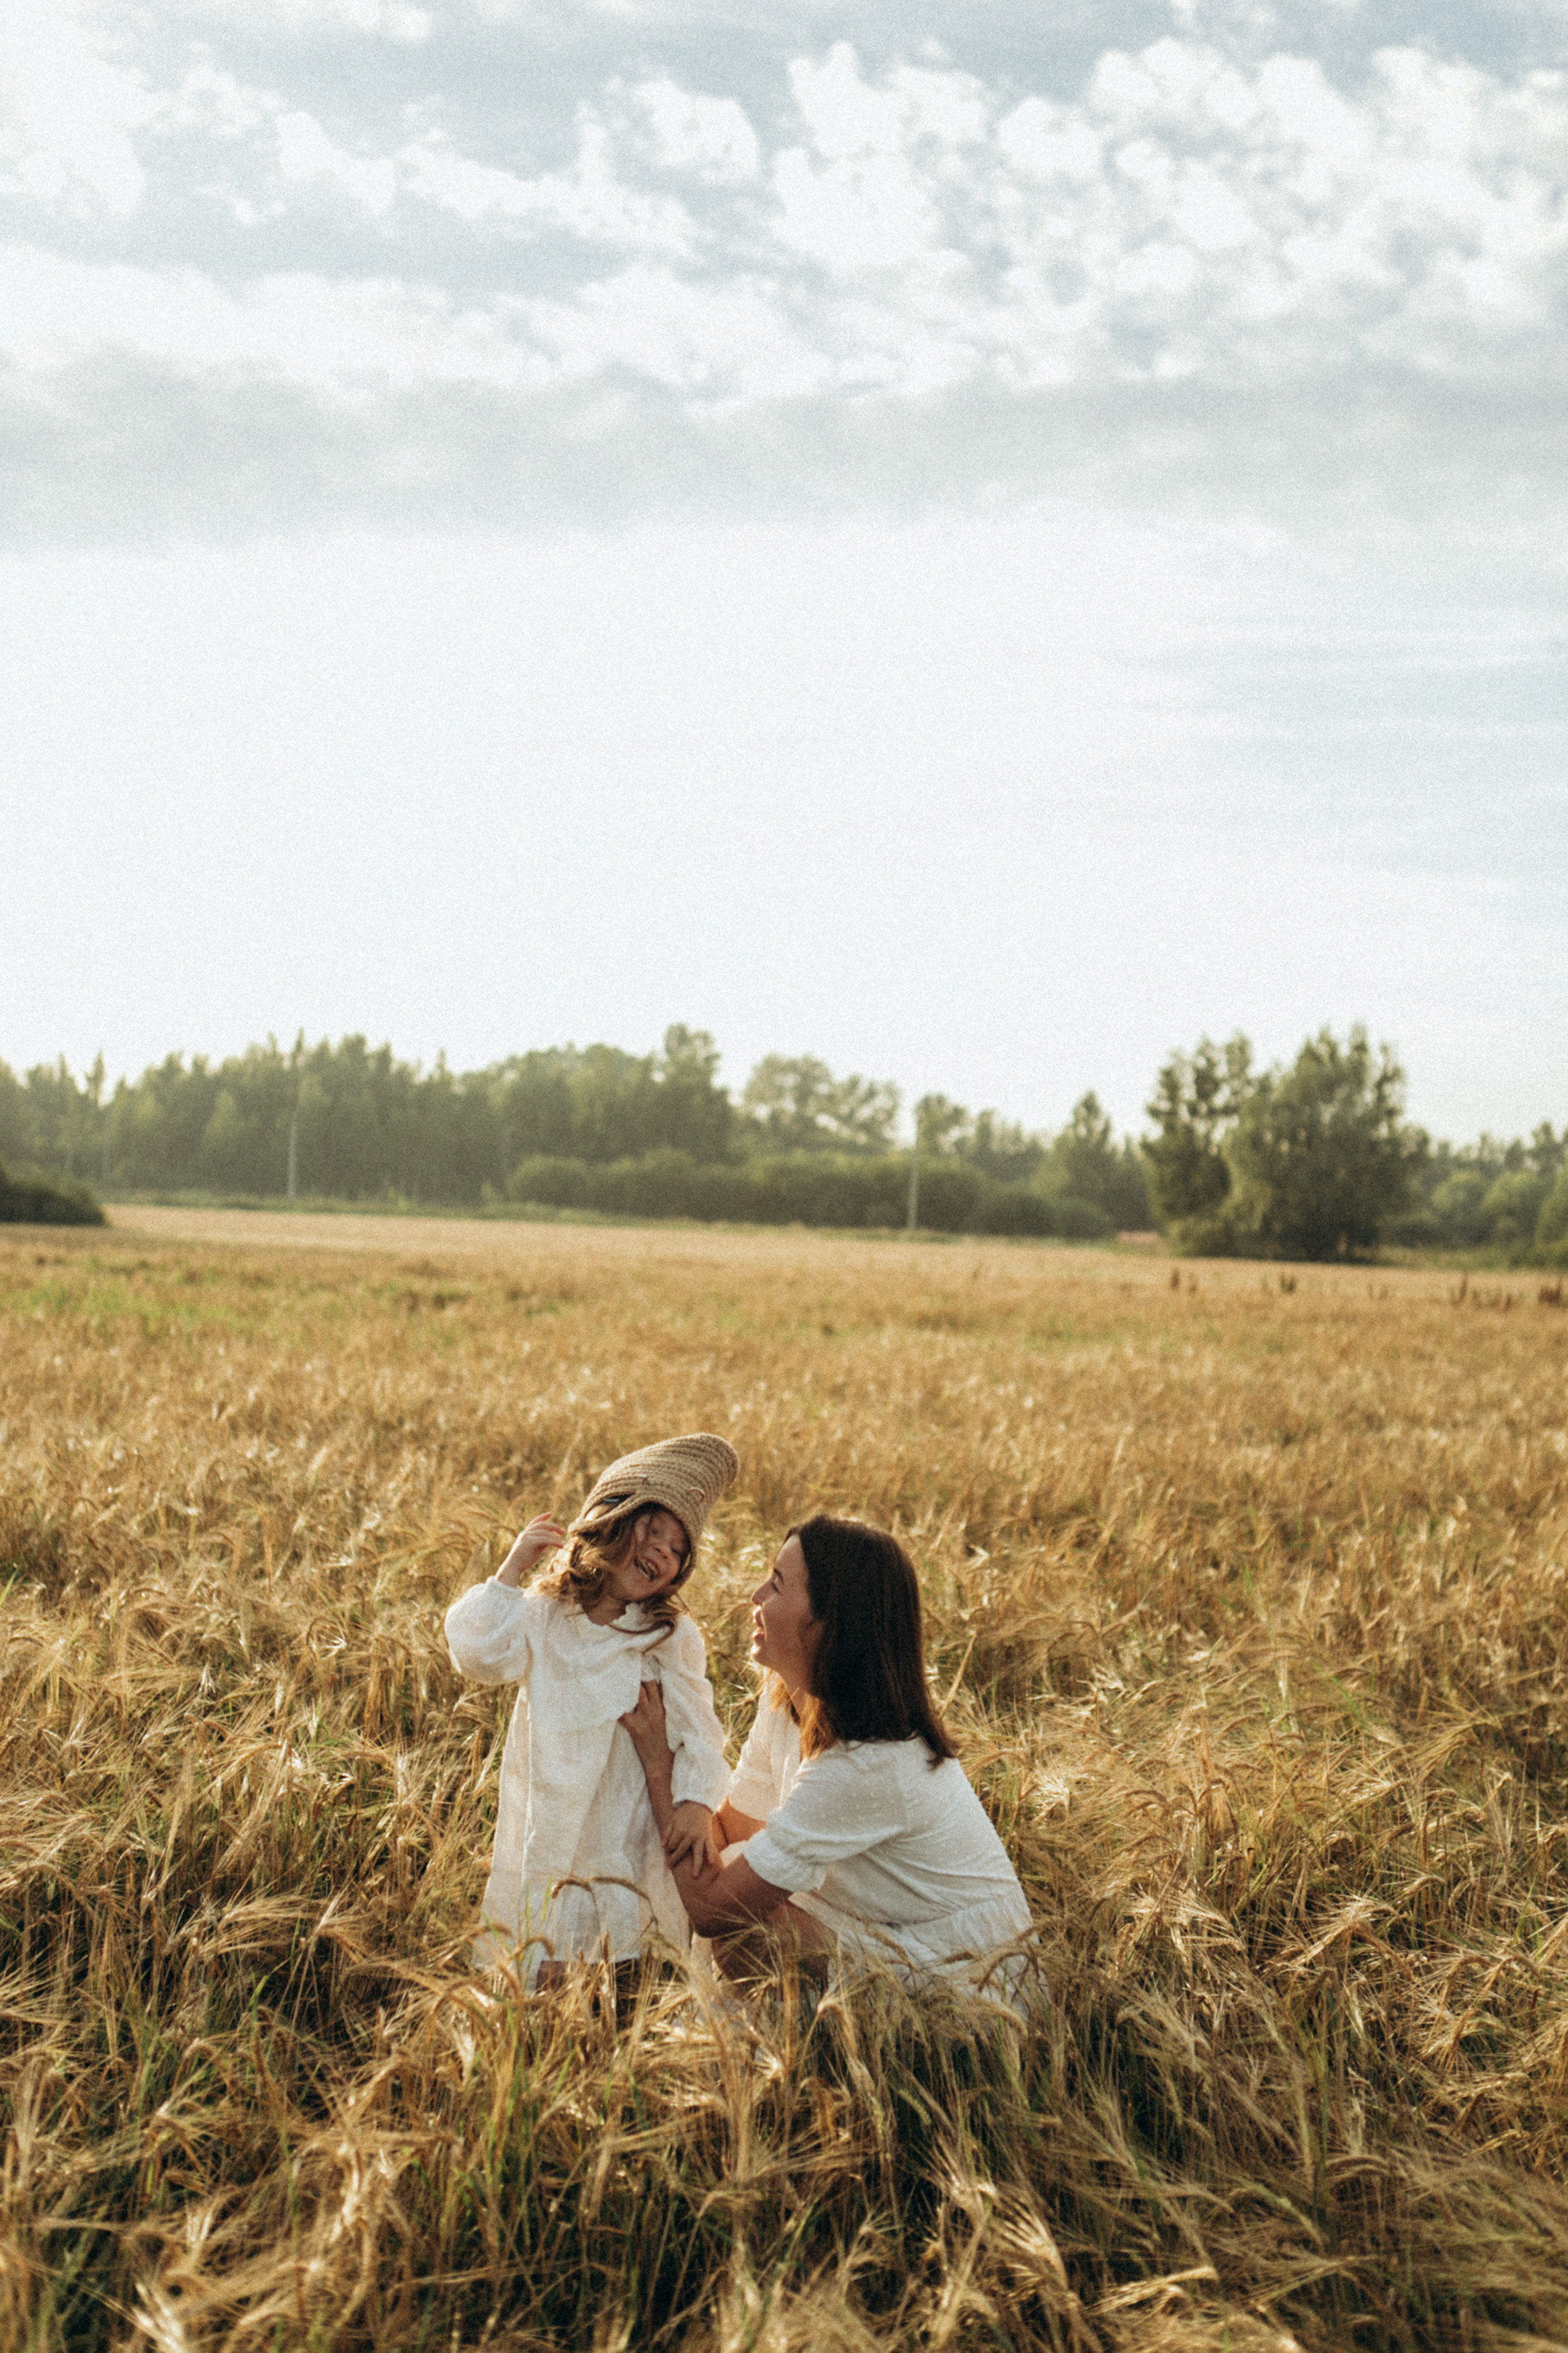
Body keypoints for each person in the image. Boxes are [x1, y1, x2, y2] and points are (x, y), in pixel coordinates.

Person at [621, 1513, 1034, 1999]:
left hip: (965, 1976)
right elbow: (734, 1829)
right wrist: (665, 1811)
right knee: (740, 1875)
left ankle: (819, 2057)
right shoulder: (788, 1699)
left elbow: (714, 1912)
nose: (755, 1597)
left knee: (746, 1933)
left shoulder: (868, 1761)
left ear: (827, 1622)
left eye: (776, 1584)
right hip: (879, 1929)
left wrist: (659, 1766)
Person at [444, 1432, 737, 1987]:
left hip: (628, 1828)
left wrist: (698, 1803)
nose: (660, 1552)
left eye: (677, 1549)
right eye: (652, 1530)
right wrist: (511, 1569)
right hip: (551, 1827)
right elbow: (477, 1655)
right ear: (609, 1519)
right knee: (546, 1970)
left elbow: (702, 1728)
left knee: (630, 1960)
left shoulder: (665, 1635)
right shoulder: (543, 1616)